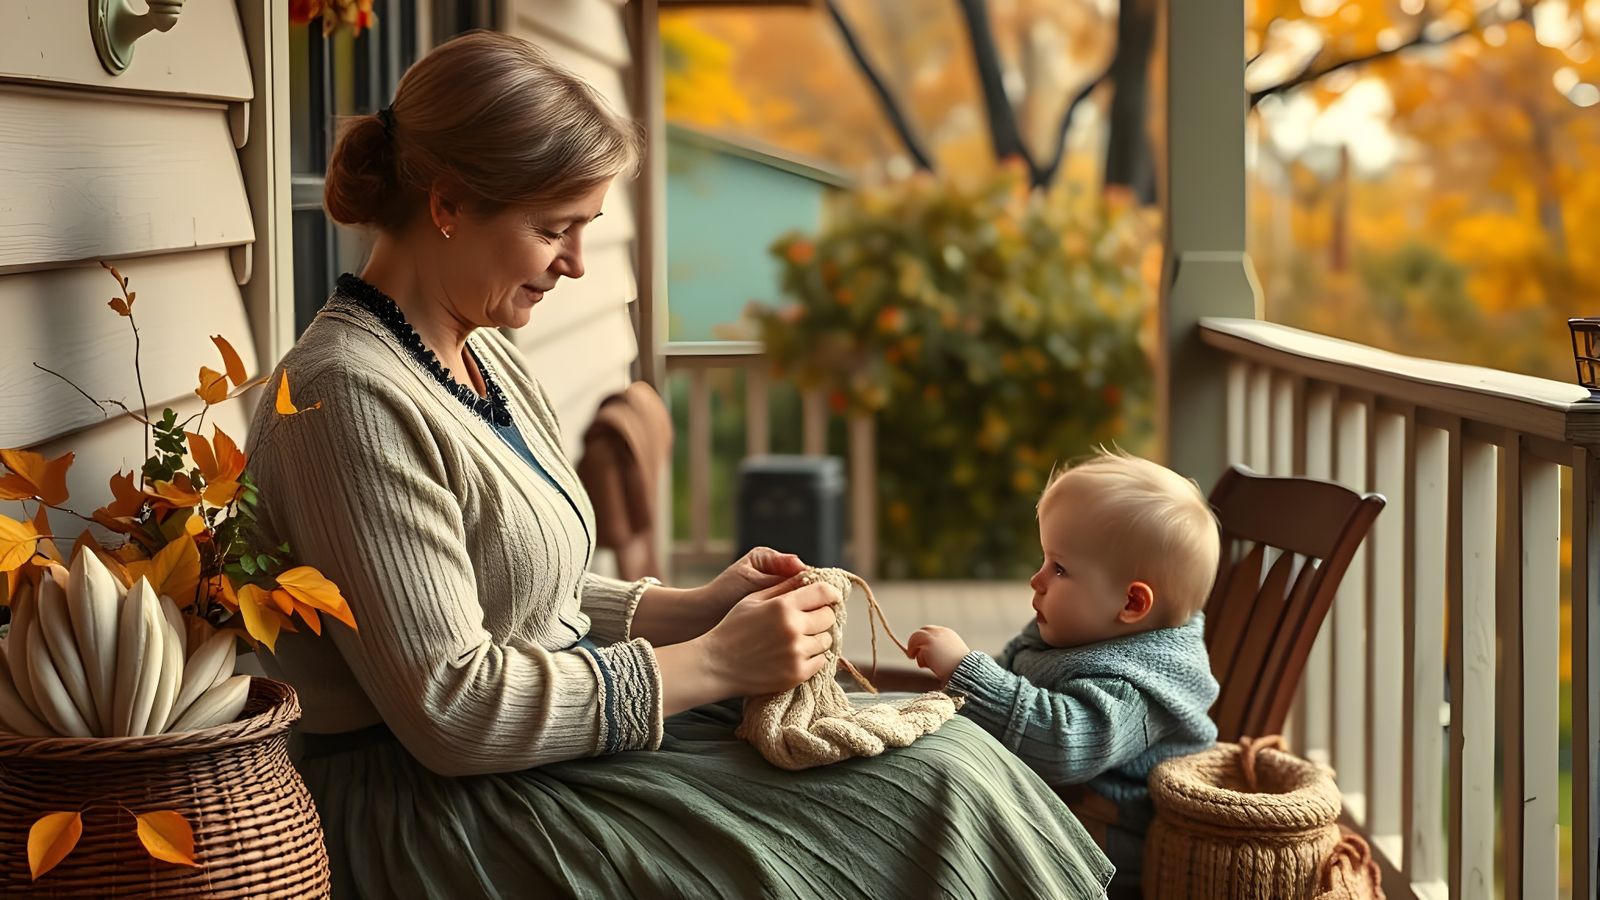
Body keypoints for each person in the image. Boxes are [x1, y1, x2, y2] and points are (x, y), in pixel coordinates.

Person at [245, 29, 1113, 898]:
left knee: (953, 753)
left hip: (541, 756)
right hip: (441, 807)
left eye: (585, 230)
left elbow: (503, 596)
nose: (578, 265)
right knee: (930, 796)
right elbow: (454, 710)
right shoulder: (342, 398)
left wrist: (690, 609)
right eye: (554, 229)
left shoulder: (478, 354)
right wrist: (717, 663)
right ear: (448, 206)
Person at [906, 449, 1222, 889]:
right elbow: (1014, 675)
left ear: (1131, 603)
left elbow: (1061, 742)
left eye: (1058, 568)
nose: (1037, 580)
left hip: (1103, 857)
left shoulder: (1138, 688)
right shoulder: (1079, 634)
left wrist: (965, 670)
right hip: (1048, 813)